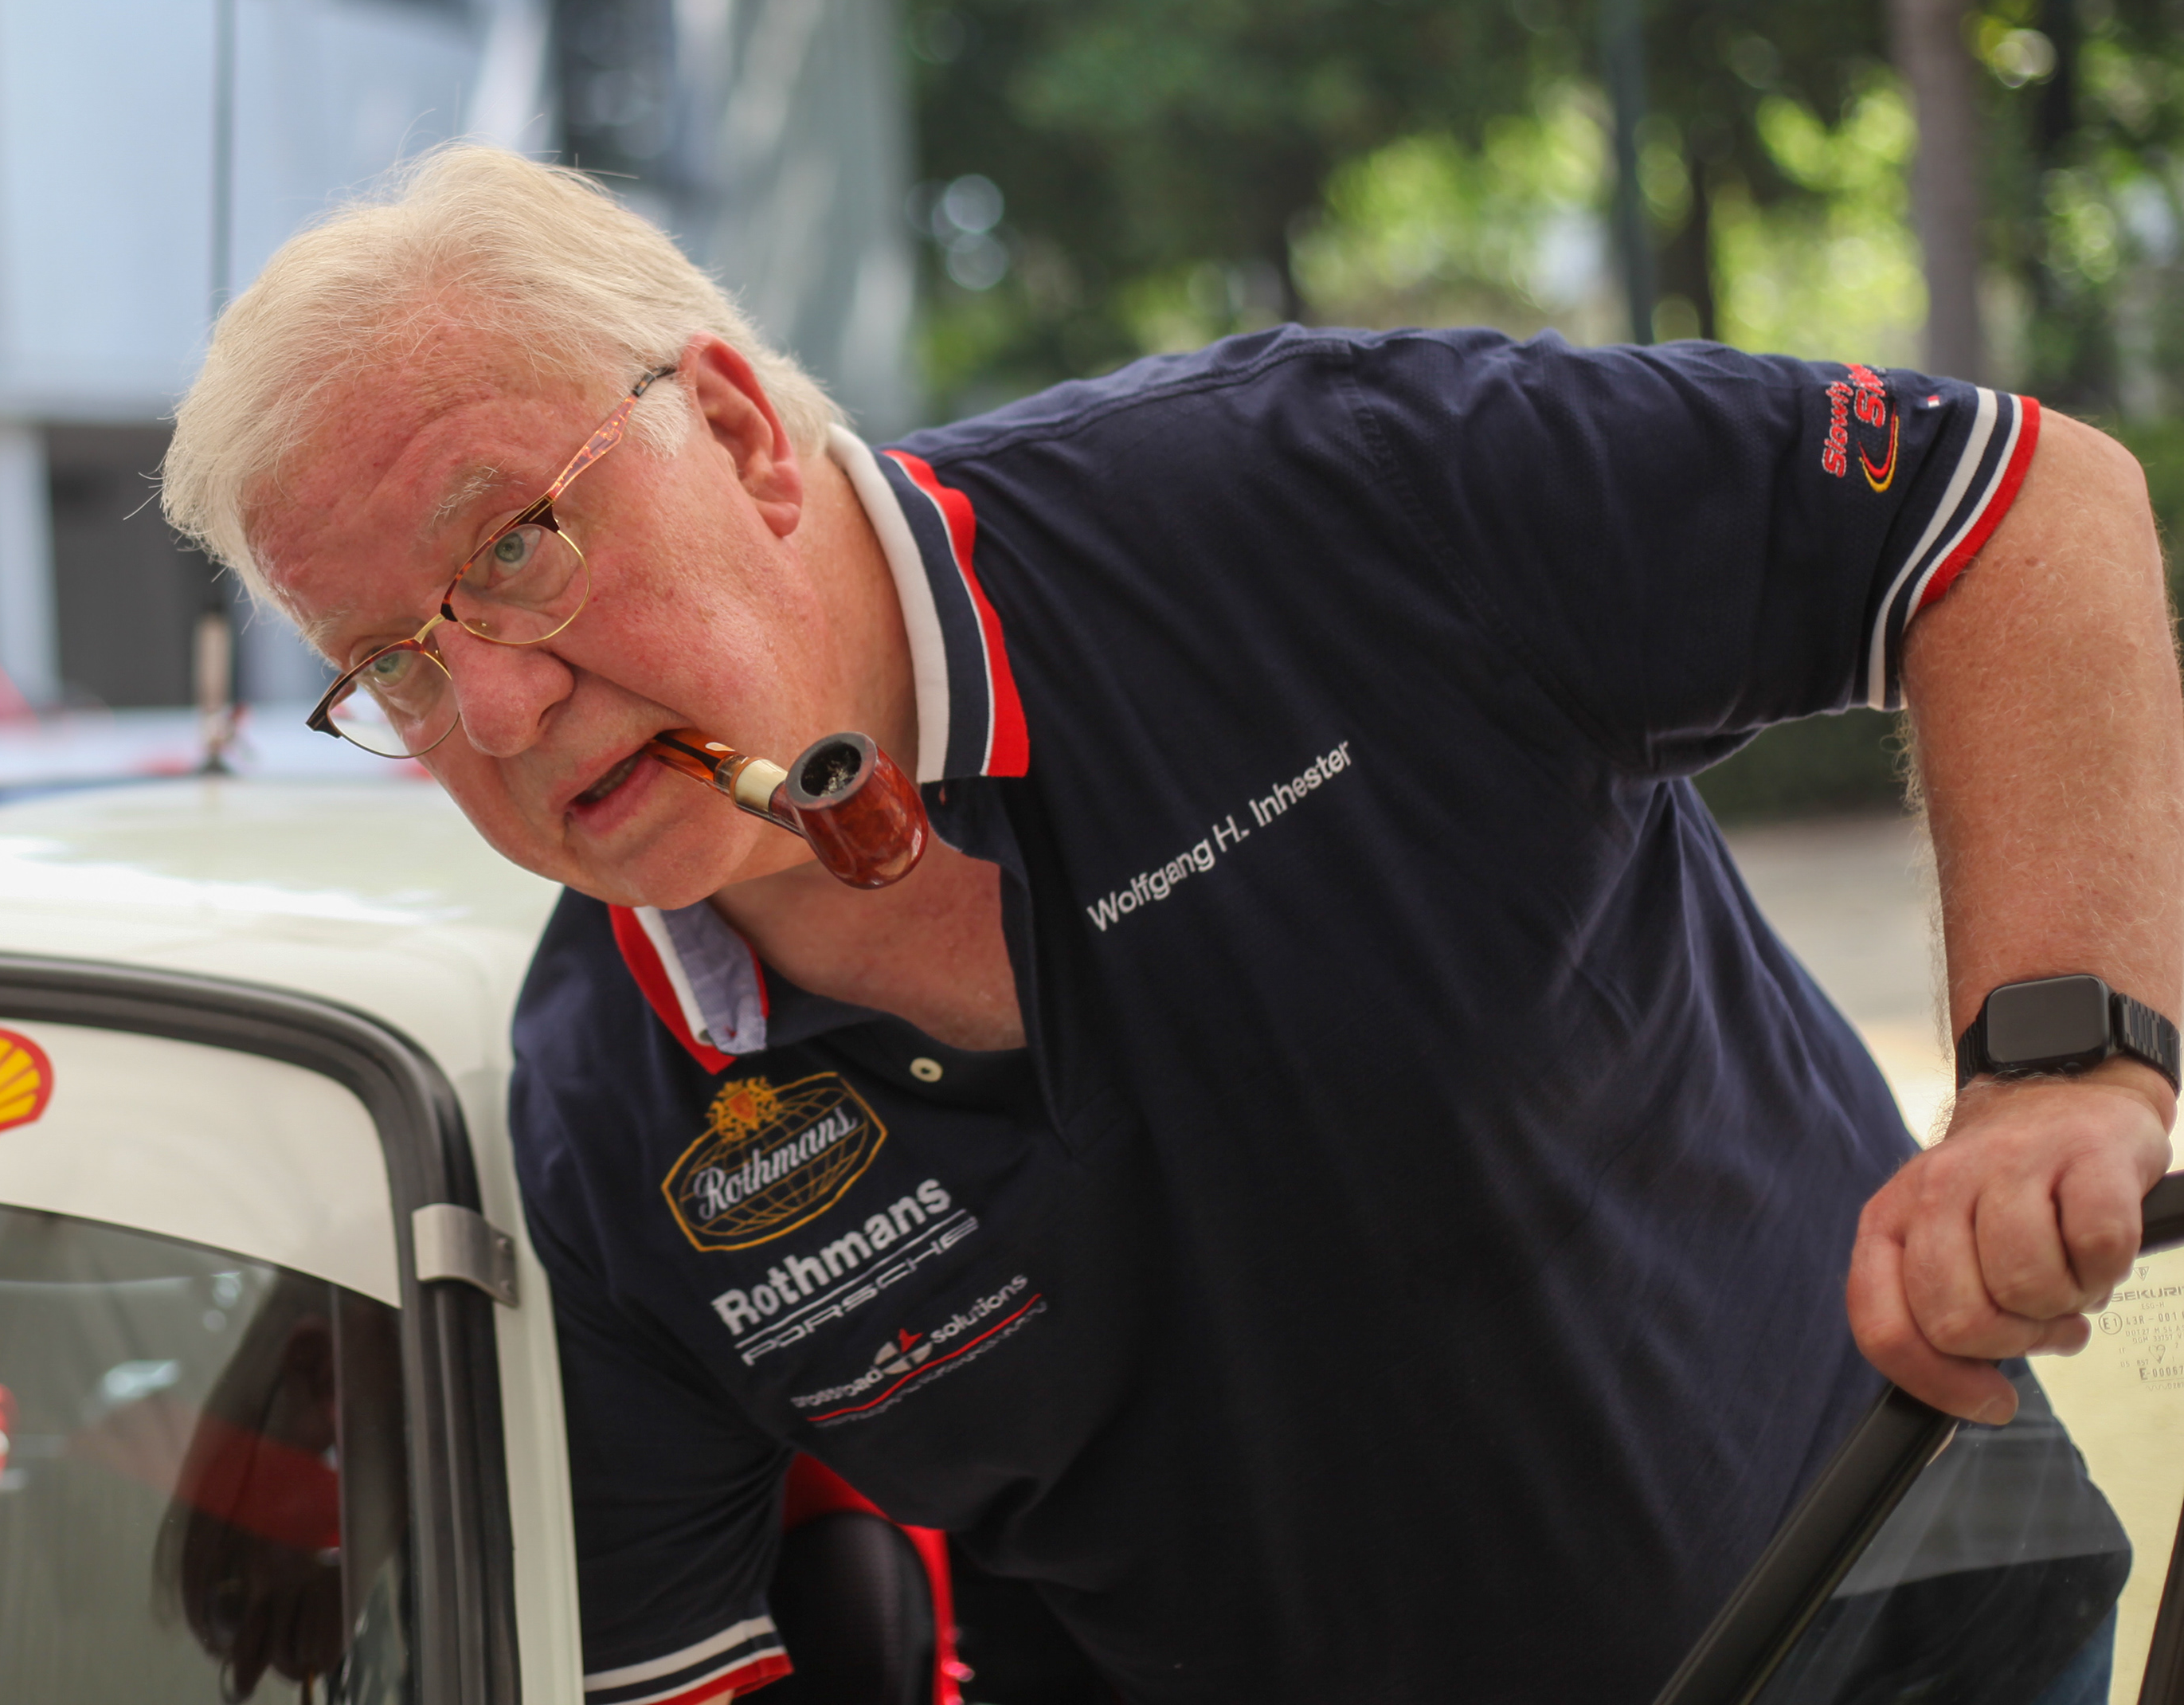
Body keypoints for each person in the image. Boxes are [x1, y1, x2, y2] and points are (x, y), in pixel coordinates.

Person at [161, 144, 2182, 1702]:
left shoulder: (1318, 496)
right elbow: (680, 1664)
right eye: (392, 662)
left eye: (516, 543)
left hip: (1901, 1612)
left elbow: (2008, 508)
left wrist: (2057, 1067)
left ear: (747, 435)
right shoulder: (608, 1121)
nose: (494, 703)